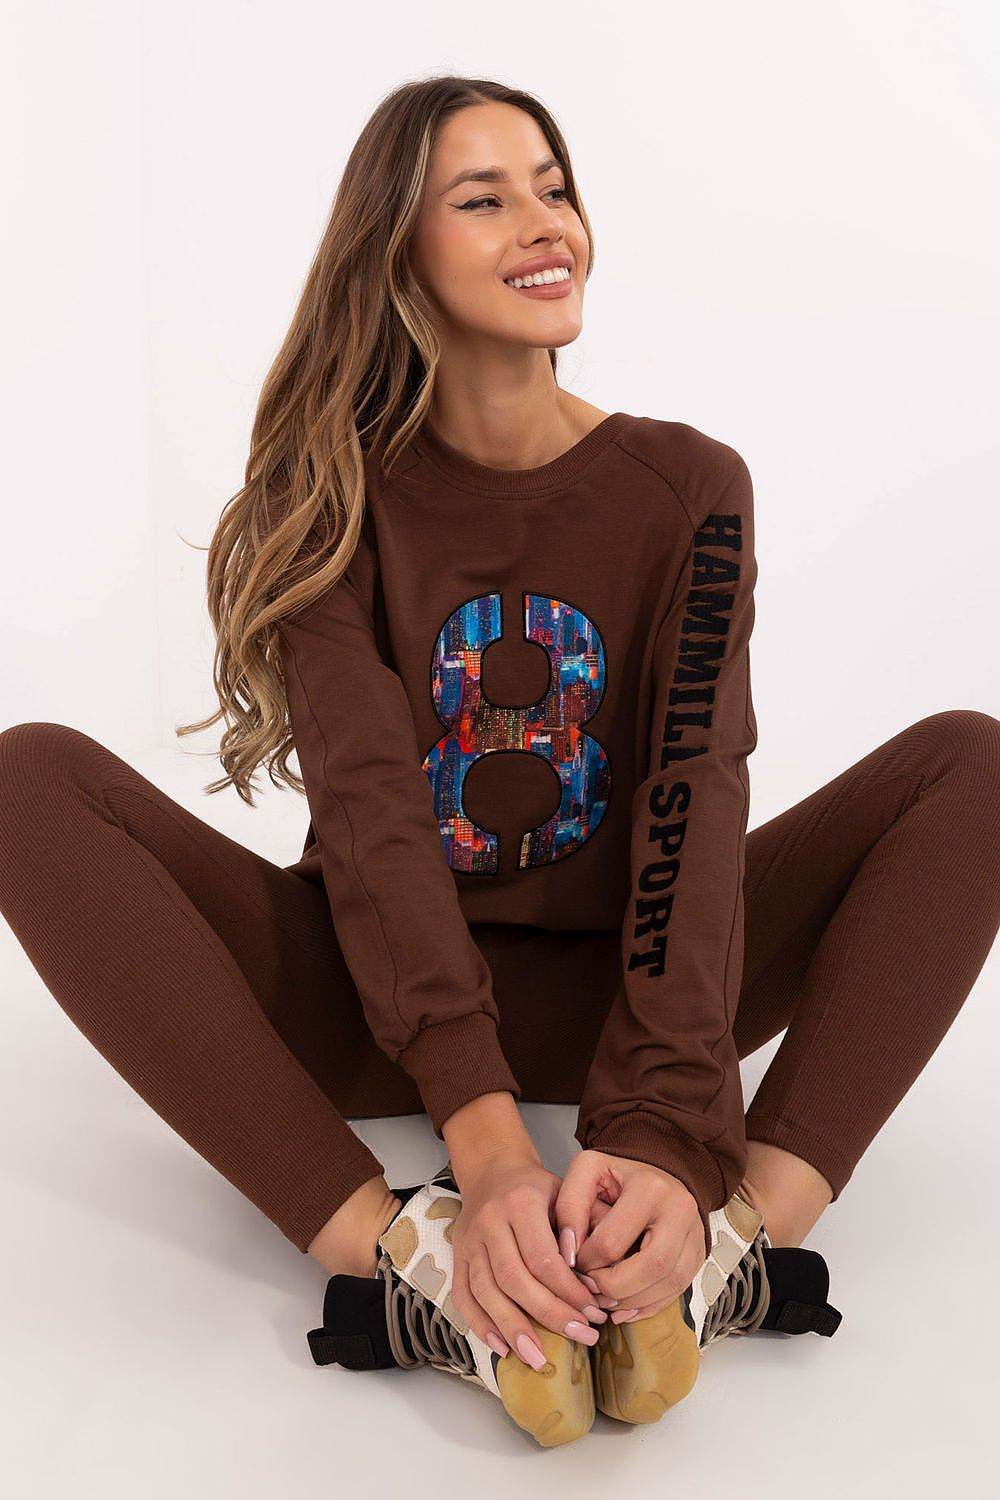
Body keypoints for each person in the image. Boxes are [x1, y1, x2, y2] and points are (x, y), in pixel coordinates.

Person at [2, 76, 999, 1446]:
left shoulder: (689, 488)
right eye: (484, 198)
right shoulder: (327, 498)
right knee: (27, 782)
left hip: (631, 988)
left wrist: (661, 1134)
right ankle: (401, 1258)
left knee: (972, 768)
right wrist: (483, 1151)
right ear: (395, 252)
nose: (545, 223)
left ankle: (733, 1245)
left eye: (554, 185)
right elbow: (372, 821)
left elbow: (694, 799)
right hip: (376, 999)